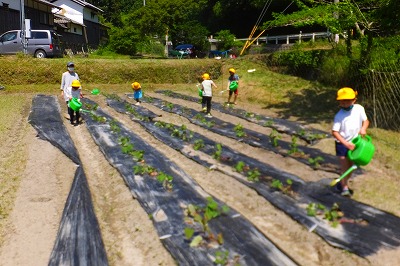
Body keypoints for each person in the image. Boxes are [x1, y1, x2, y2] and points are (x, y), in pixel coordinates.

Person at [332, 87, 370, 196]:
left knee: (352, 167)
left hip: (355, 143)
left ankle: (343, 181)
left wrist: (363, 129)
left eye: (347, 100)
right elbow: (335, 132)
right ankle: (344, 188)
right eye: (342, 101)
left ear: (354, 100)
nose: (344, 103)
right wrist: (346, 144)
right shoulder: (339, 116)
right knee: (345, 167)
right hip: (343, 144)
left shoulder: (359, 109)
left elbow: (366, 121)